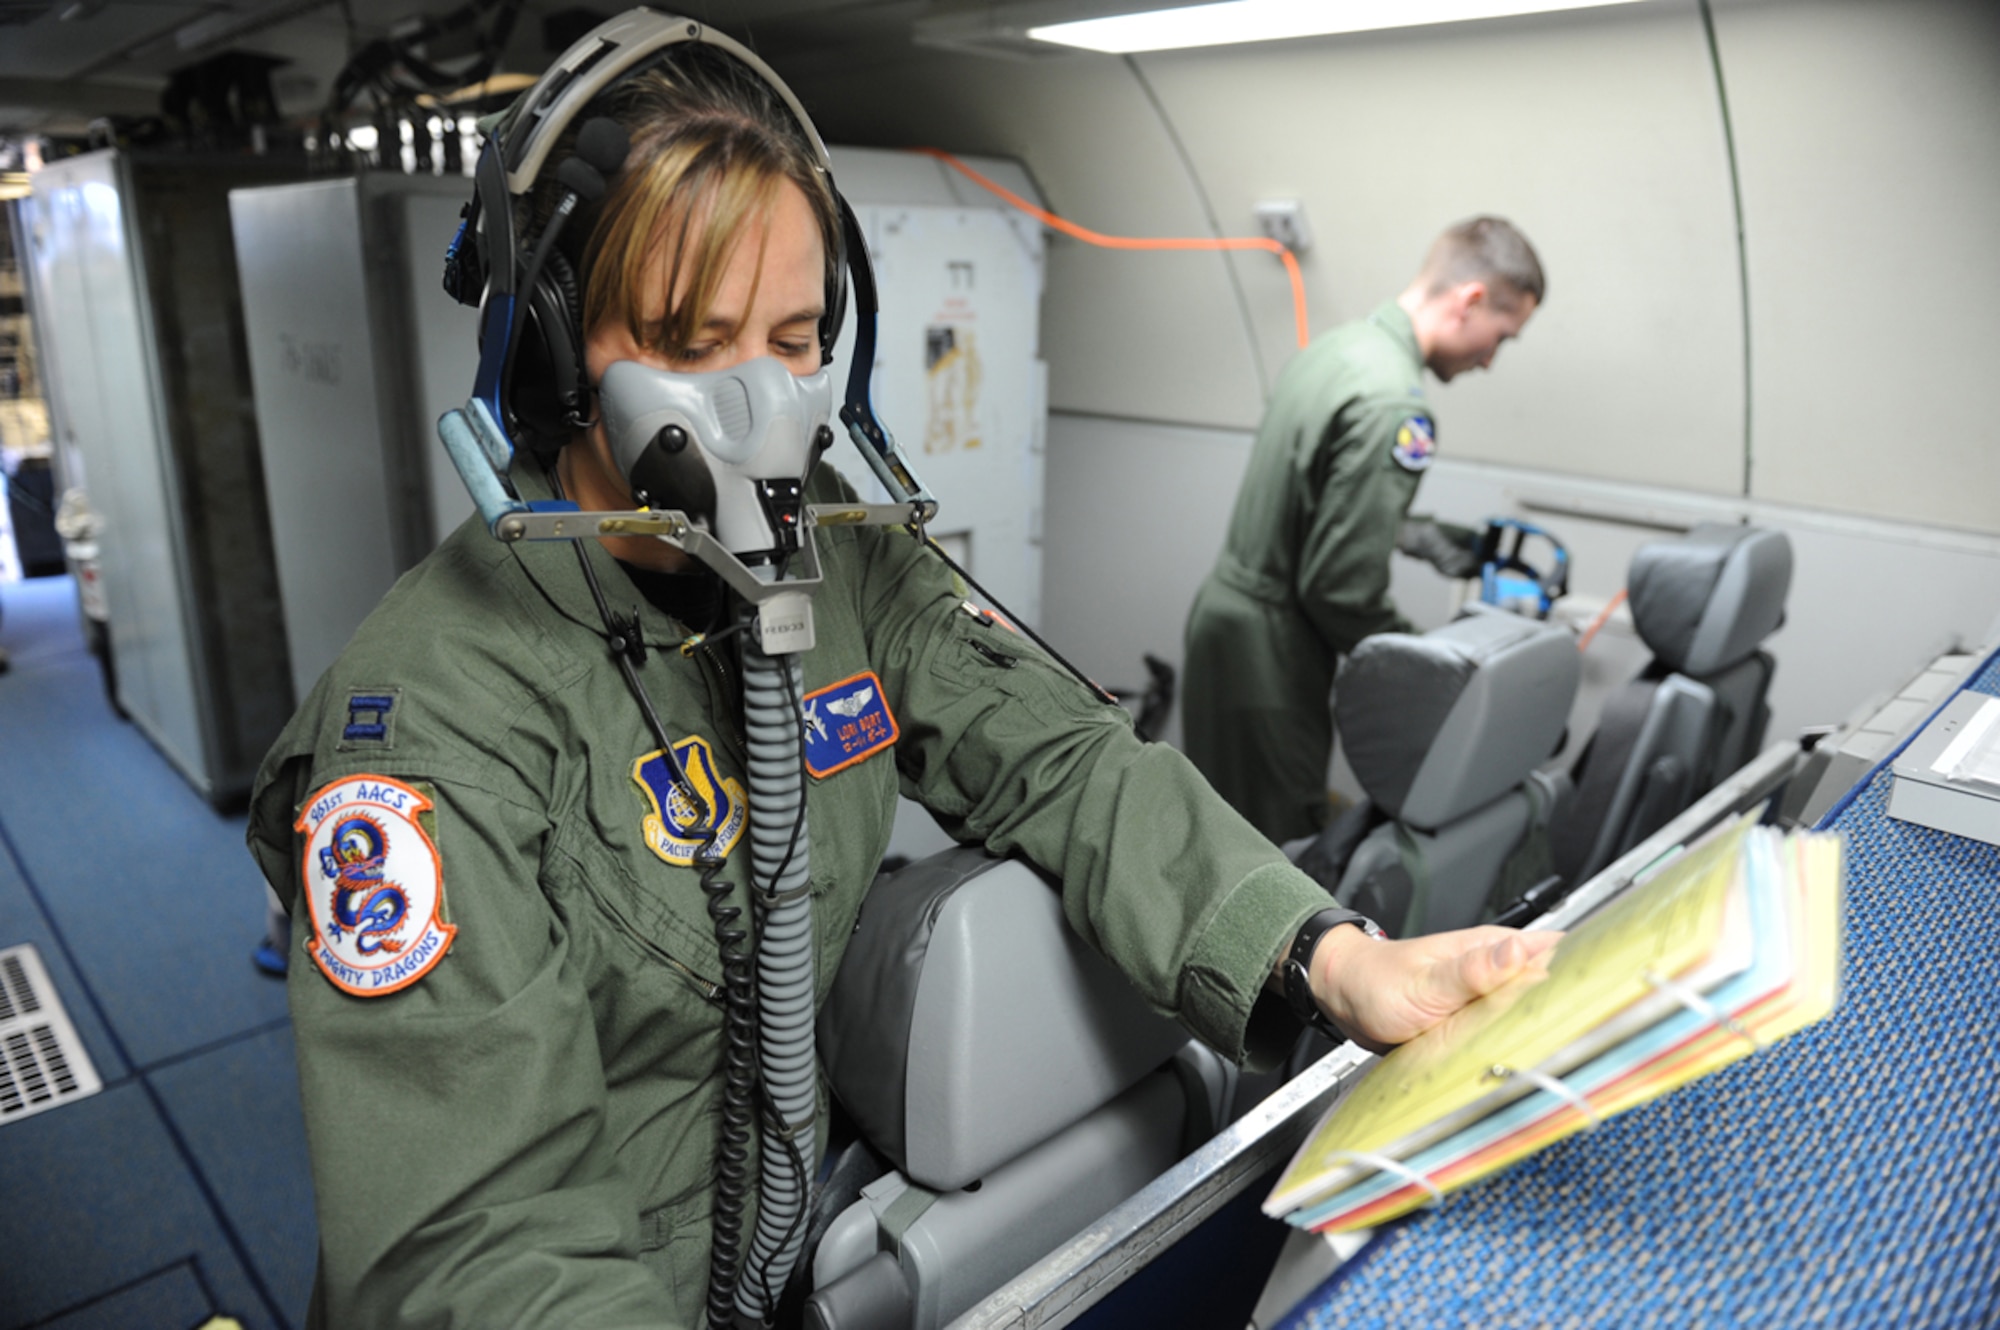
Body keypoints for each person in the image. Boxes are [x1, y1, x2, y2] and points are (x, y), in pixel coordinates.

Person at [244, 25, 1558, 1326]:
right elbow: (478, 1252)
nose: (763, 406)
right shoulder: (426, 727)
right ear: (552, 352)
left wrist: (1329, 955)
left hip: (778, 1237)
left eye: (797, 335)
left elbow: (1063, 755)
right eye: (694, 341)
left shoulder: (841, 562)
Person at [1181, 218, 1544, 843]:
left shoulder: (1341, 349)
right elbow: (1339, 591)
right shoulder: (1395, 405)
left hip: (1226, 627)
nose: (1489, 360)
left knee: (1218, 829)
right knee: (1268, 853)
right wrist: (1434, 665)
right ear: (1470, 300)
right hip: (1272, 652)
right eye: (1501, 339)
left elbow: (1311, 499)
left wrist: (1418, 533)